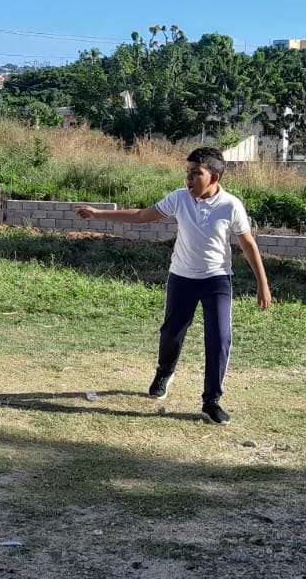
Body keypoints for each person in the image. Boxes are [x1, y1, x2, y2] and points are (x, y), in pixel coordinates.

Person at [76, 147, 272, 425]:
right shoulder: (179, 199)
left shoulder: (231, 205)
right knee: (172, 332)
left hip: (217, 280)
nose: (188, 179)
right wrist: (98, 214)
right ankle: (165, 372)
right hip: (181, 278)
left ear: (214, 176)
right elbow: (143, 216)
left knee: (220, 339)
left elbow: (248, 244)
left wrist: (262, 285)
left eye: (196, 173)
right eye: (187, 173)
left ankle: (211, 401)